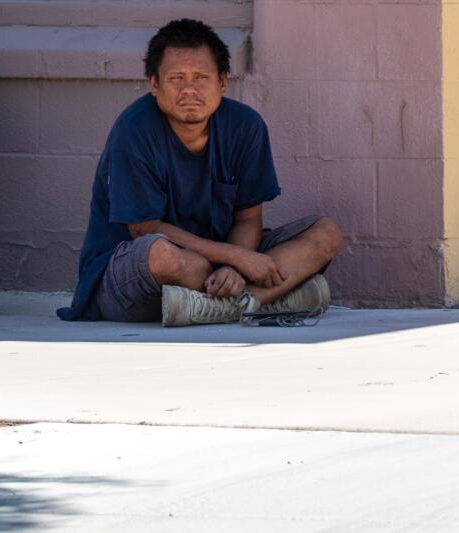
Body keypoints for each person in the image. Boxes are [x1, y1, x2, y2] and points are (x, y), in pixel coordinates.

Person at [61, 19, 344, 327]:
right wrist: (237, 260)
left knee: (326, 233)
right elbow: (145, 229)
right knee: (164, 256)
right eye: (176, 78)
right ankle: (262, 299)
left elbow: (248, 219)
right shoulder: (134, 129)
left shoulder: (246, 127)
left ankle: (233, 301)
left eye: (201, 77)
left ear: (222, 82)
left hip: (221, 260)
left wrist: (235, 268)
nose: (189, 89)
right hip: (139, 271)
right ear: (154, 84)